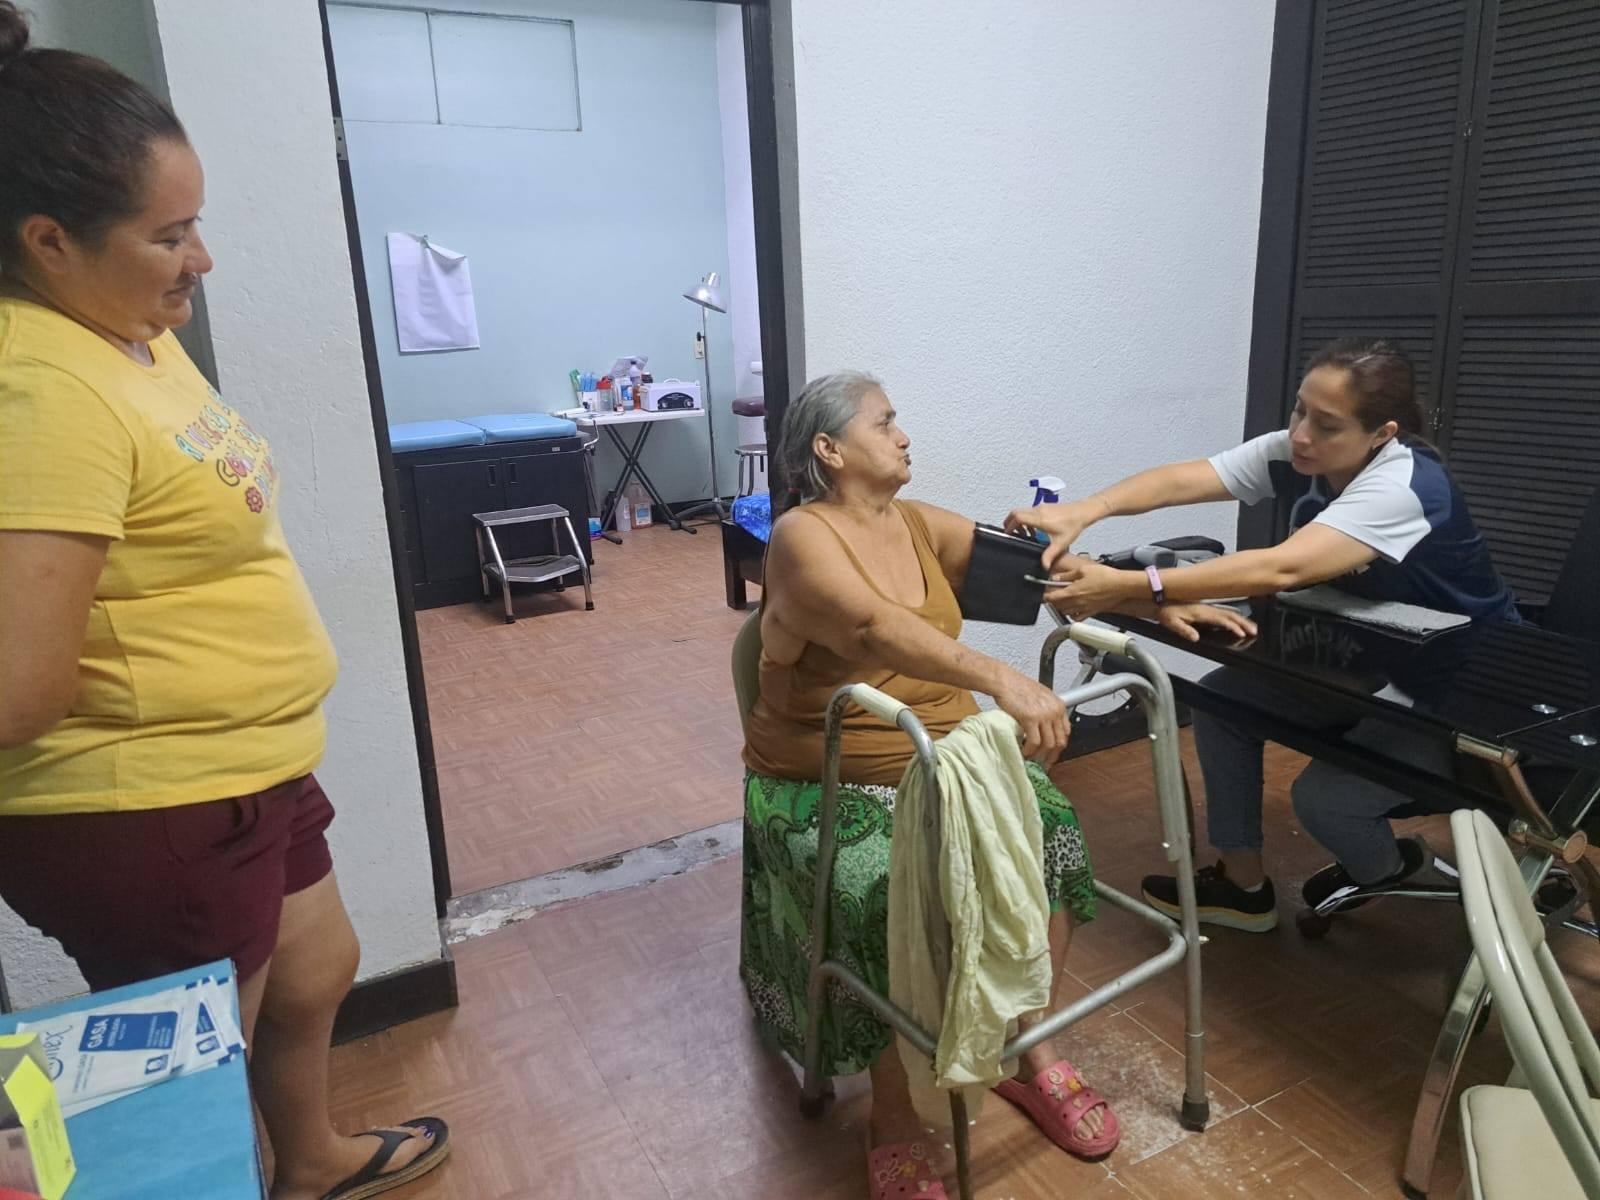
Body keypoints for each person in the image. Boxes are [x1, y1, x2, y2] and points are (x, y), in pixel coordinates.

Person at [0, 8, 446, 1198]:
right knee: (176, 1113)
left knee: (316, 964)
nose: (201, 259)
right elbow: (17, 685)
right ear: (49, 241)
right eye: (170, 235)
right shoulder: (38, 385)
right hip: (153, 803)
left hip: (246, 768)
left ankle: (310, 1160)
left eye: (196, 224)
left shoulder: (126, 335)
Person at [741, 371, 1252, 1198]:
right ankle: (892, 1116)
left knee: (1053, 835)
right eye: (885, 422)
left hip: (948, 756)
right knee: (875, 886)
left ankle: (1028, 1048)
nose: (905, 435)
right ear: (830, 450)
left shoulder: (914, 523)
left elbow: (1037, 572)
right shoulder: (801, 536)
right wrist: (1002, 680)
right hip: (833, 772)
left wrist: (1144, 603)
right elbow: (871, 624)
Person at [1007, 338, 1519, 933]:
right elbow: (1188, 478)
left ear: (1381, 433)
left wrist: (1132, 585)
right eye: (1299, 410)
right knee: (1223, 703)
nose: (1300, 434)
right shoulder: (1298, 452)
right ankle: (1242, 886)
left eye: (1326, 425)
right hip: (1371, 664)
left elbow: (1282, 567)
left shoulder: (1404, 486)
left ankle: (1408, 873)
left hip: (1462, 692)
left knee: (1325, 803)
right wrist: (1085, 511)